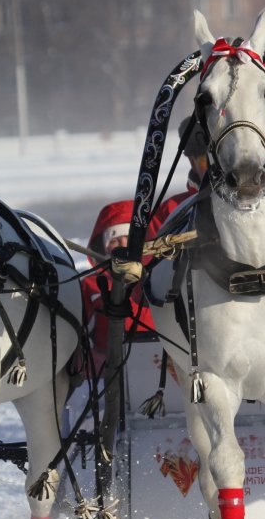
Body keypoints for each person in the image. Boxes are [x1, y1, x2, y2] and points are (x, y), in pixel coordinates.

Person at [80, 199, 156, 375]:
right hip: (106, 374)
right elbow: (76, 336)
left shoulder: (159, 277)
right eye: (114, 240)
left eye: (129, 238)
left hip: (159, 366)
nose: (123, 246)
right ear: (105, 247)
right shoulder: (92, 285)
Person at [147, 115, 209, 239]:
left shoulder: (255, 204)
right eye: (208, 160)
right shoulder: (170, 211)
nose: (218, 167)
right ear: (192, 161)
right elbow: (149, 255)